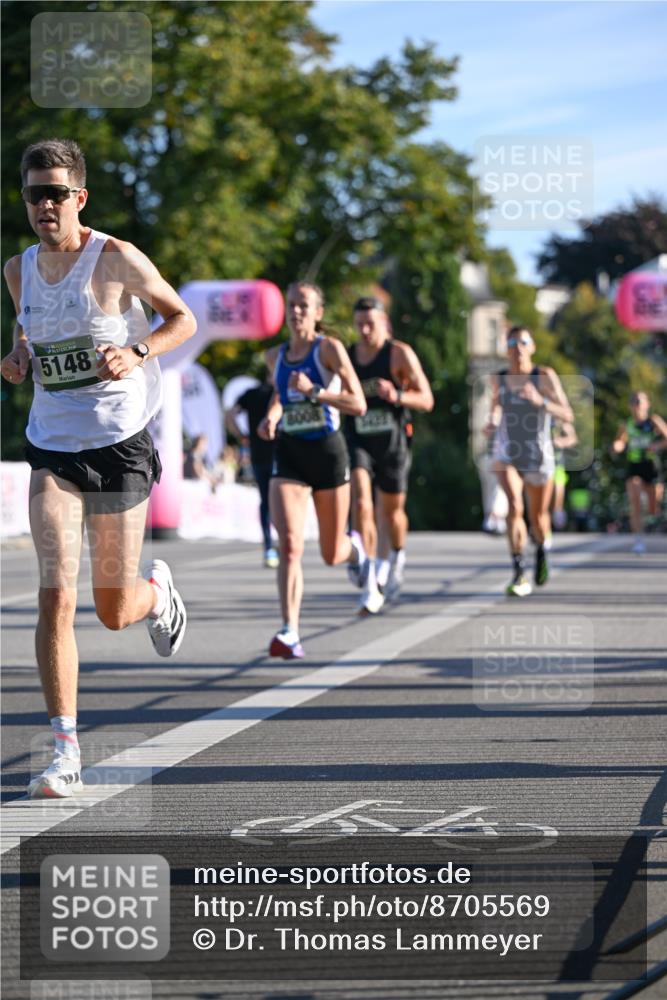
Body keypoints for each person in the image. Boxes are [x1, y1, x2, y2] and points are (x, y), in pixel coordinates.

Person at [1, 139, 196, 798]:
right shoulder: (17, 270)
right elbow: (26, 336)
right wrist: (17, 361)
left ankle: (156, 594)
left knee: (114, 610)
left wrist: (138, 349)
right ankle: (64, 750)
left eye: (57, 193)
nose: (45, 205)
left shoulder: (114, 259)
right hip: (52, 446)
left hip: (118, 443)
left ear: (80, 197)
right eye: (35, 194)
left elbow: (183, 317)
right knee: (55, 592)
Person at [258, 281, 367, 658]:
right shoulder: (275, 356)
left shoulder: (329, 349)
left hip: (328, 453)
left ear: (318, 313)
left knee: (331, 553)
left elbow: (358, 403)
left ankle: (356, 552)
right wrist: (271, 417)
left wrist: (316, 392)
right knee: (289, 544)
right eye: (291, 305)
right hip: (290, 454)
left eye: (304, 305)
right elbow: (279, 394)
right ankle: (289, 631)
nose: (296, 311)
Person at [346, 296, 433, 613]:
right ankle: (371, 580)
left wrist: (395, 394)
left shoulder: (398, 353)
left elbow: (427, 399)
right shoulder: (348, 355)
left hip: (393, 441)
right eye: (359, 325)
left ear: (384, 323)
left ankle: (396, 554)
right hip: (358, 440)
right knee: (360, 501)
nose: (365, 330)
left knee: (391, 514)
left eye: (371, 324)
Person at [488, 326, 574, 597]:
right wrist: (491, 421)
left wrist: (540, 401)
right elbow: (496, 408)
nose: (517, 347)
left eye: (523, 342)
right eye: (511, 342)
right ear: (506, 348)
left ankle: (541, 550)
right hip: (508, 451)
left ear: (532, 347)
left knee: (538, 517)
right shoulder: (499, 378)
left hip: (538, 453)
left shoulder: (544, 376)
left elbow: (567, 414)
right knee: (514, 505)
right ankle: (518, 572)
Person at [230, 367, 279, 568]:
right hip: (281, 454)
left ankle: (269, 546)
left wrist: (242, 435)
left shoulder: (251, 394)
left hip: (259, 454)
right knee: (281, 500)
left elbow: (231, 414)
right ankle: (282, 542)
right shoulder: (281, 393)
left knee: (266, 501)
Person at [610, 391, 667, 553]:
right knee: (634, 499)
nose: (636, 405)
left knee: (653, 509)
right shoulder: (627, 424)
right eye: (633, 401)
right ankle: (638, 540)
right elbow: (620, 441)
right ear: (630, 406)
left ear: (647, 404)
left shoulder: (653, 421)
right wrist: (616, 447)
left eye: (639, 401)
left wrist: (656, 446)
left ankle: (651, 509)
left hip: (651, 466)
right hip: (634, 466)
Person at [550, 421, 578, 536]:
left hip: (557, 466)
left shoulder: (560, 420)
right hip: (538, 465)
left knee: (557, 497)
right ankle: (543, 530)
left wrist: (560, 442)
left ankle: (557, 516)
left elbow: (573, 438)